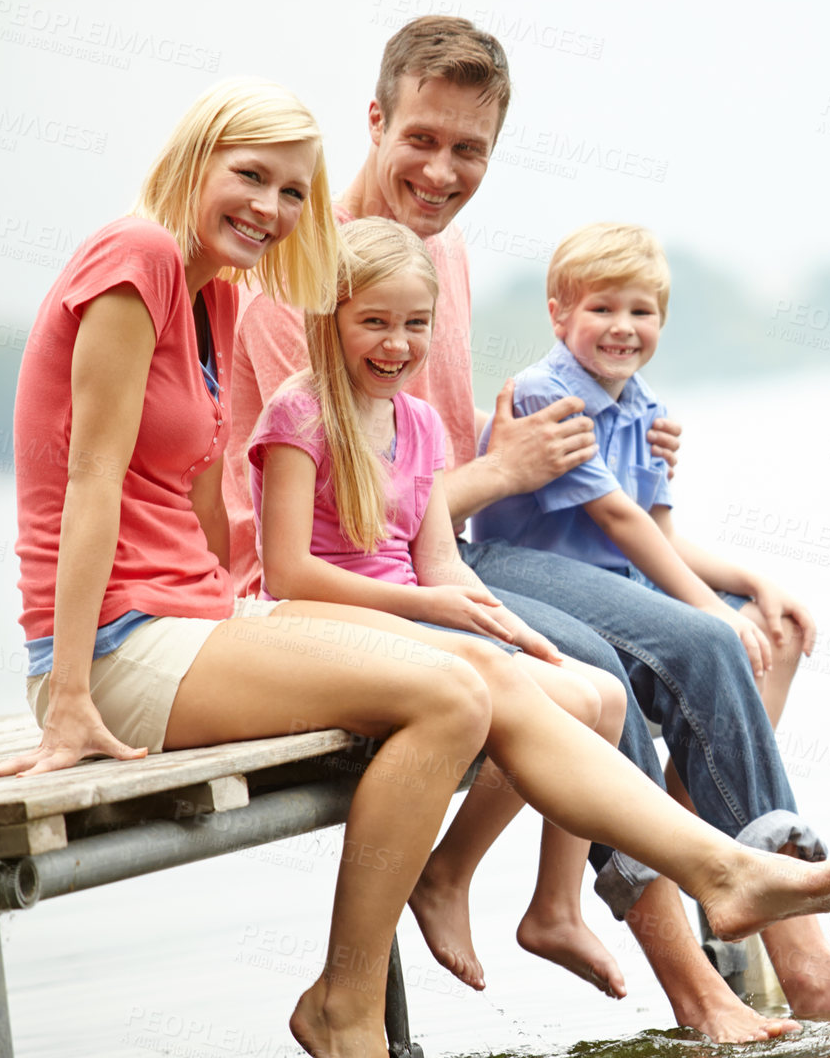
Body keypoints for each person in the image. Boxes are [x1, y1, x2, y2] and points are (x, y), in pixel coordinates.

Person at [0, 78, 830, 1058]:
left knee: (535, 675)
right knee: (455, 692)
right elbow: (92, 480)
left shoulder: (214, 290)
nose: (271, 208)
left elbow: (194, 493)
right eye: (251, 177)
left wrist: (250, 600)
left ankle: (717, 867)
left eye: (292, 192)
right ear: (196, 157)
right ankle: (347, 1000)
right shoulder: (132, 259)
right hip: (123, 646)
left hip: (195, 622)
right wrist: (77, 692)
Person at [219, 16, 830, 1038]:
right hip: (367, 592)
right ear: (373, 122)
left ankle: (789, 958)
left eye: (469, 149)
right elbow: (335, 517)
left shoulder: (444, 255)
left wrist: (575, 440)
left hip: (456, 550)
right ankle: (705, 986)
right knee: (635, 653)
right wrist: (503, 469)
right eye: (420, 138)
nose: (440, 169)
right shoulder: (297, 291)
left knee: (720, 633)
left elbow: (426, 441)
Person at [249, 216, 632, 998]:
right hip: (334, 628)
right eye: (375, 323)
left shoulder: (418, 422)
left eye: (415, 325)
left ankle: (551, 904)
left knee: (602, 691)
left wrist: (512, 626)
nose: (396, 344)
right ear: (332, 319)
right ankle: (445, 876)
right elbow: (286, 572)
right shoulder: (299, 414)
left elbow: (441, 560)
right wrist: (428, 606)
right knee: (562, 702)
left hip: (413, 613)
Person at [471, 223, 813, 717]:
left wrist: (752, 583)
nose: (623, 326)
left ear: (661, 320)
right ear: (559, 317)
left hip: (630, 585)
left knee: (780, 632)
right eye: (602, 308)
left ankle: (689, 798)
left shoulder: (648, 408)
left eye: (641, 311)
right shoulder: (546, 396)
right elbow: (618, 518)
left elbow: (660, 532)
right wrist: (711, 610)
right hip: (555, 593)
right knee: (717, 638)